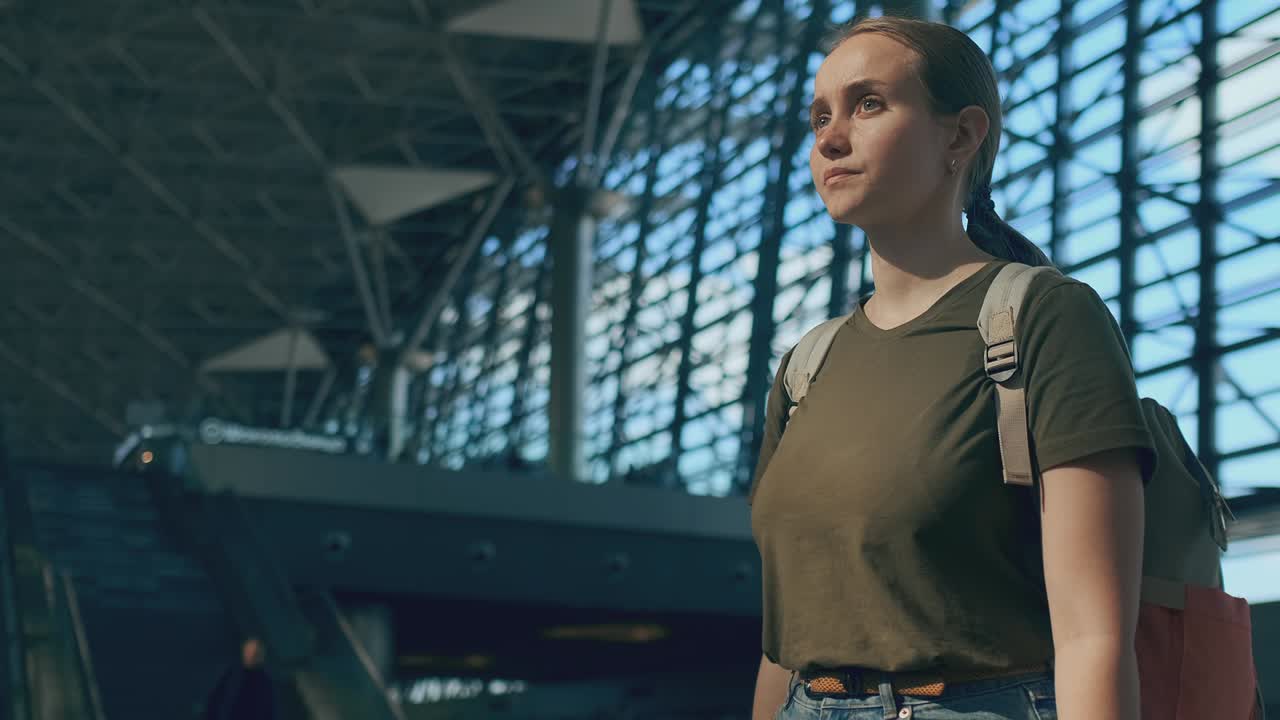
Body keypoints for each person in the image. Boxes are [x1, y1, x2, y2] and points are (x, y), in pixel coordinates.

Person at [748, 16, 1154, 720]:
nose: (829, 137)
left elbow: (1094, 636)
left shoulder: (1046, 319)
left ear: (961, 136)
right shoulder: (807, 365)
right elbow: (784, 645)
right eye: (820, 114)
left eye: (868, 103)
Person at [202, 636, 277, 720]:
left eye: (255, 653)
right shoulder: (232, 675)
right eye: (248, 652)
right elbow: (216, 700)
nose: (250, 656)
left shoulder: (264, 683)